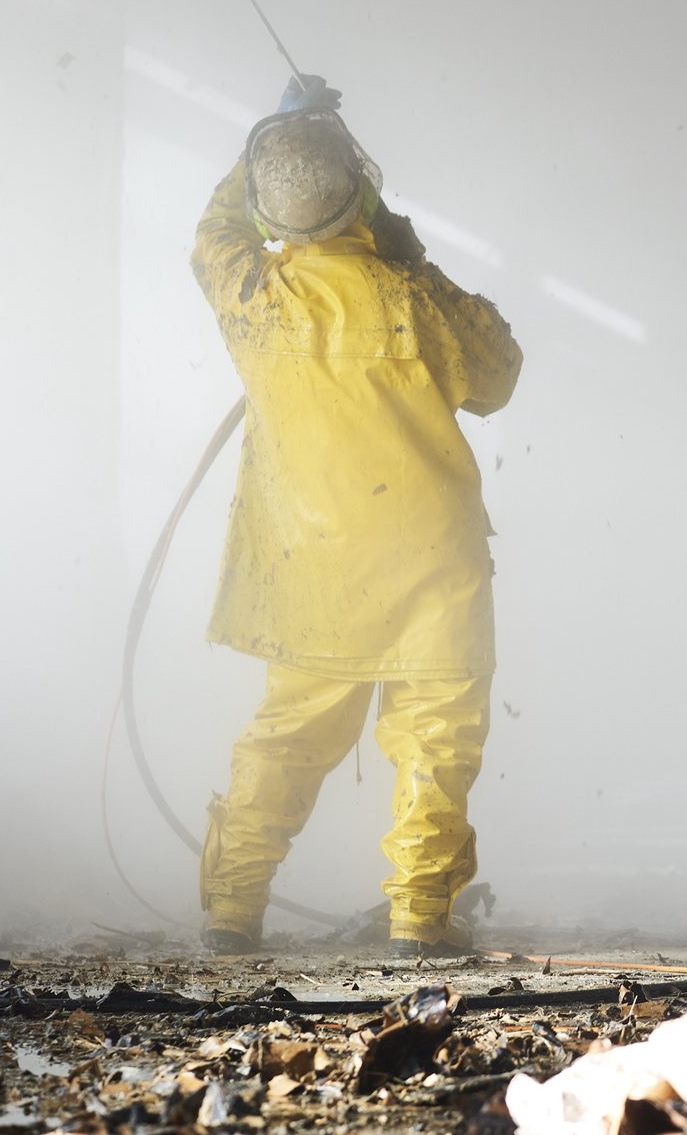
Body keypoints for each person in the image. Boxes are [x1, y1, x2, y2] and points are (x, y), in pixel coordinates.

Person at [188, 74, 521, 957]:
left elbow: (218, 228)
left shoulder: (250, 295)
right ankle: (420, 917)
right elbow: (498, 372)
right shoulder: (411, 297)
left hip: (312, 564)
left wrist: (275, 137)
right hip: (431, 566)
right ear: (358, 192)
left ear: (273, 213)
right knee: (436, 741)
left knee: (289, 737)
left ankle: (231, 910)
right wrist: (406, 249)